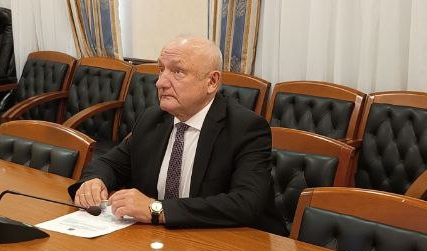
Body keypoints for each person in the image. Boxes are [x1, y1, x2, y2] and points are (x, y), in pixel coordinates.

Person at [70, 35, 284, 233]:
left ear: (212, 82)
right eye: (161, 69)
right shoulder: (153, 119)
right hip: (165, 241)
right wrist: (94, 181)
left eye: (178, 71)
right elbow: (111, 164)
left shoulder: (246, 128)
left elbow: (245, 203)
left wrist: (157, 209)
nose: (160, 82)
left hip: (233, 245)